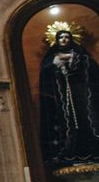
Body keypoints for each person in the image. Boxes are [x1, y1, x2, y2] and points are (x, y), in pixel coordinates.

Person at [39, 29, 99, 167]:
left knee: (86, 120)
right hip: (61, 99)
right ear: (56, 40)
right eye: (61, 37)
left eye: (67, 37)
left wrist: (74, 60)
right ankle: (67, 149)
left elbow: (92, 69)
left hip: (82, 95)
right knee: (67, 123)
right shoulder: (51, 59)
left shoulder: (82, 56)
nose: (64, 40)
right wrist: (56, 64)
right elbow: (45, 76)